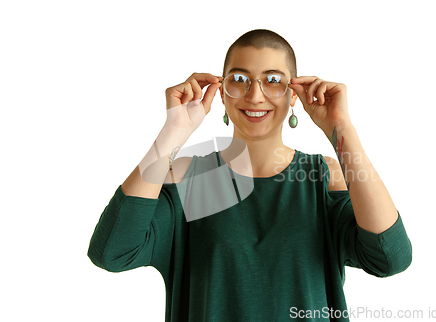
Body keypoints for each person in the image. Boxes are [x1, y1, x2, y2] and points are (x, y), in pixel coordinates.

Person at [87, 29, 412, 321]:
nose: (255, 96)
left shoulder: (323, 177)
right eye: (240, 79)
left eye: (273, 80)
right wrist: (172, 133)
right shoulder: (191, 178)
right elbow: (113, 251)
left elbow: (390, 256)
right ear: (222, 93)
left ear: (293, 94)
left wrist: (342, 129)